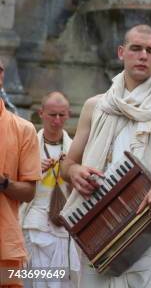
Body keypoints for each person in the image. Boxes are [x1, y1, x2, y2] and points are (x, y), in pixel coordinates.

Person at [59, 24, 151, 288]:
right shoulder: (95, 106)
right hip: (98, 230)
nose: (142, 55)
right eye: (136, 48)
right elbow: (68, 163)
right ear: (121, 52)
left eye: (150, 50)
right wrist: (75, 173)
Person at [20, 92, 80, 287]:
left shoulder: (75, 149)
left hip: (63, 225)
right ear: (41, 113)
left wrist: (71, 171)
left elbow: (81, 191)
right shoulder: (28, 146)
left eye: (61, 115)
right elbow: (12, 184)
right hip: (34, 222)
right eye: (52, 115)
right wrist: (34, 170)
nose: (57, 120)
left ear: (68, 115)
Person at [0, 58, 40, 288]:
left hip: (5, 242)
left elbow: (28, 192)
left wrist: (4, 183)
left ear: (1, 77)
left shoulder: (23, 129)